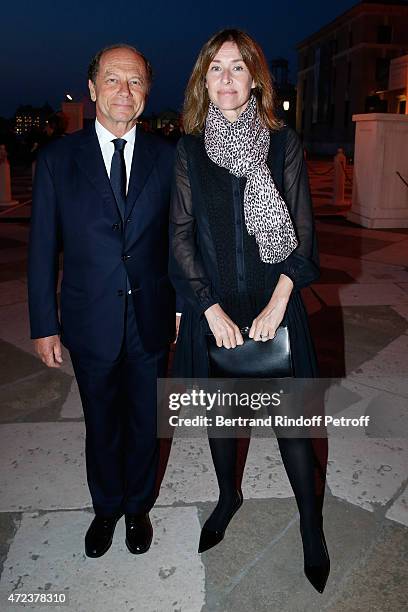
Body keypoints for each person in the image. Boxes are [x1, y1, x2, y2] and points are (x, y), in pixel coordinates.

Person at [169, 29, 329, 593]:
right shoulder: (188, 151)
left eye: (238, 67)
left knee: (291, 427)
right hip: (215, 307)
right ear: (203, 82)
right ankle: (228, 495)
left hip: (274, 303)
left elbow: (303, 238)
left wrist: (279, 304)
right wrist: (206, 307)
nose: (228, 78)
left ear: (254, 79)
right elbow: (181, 236)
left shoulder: (282, 143)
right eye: (217, 68)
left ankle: (311, 523)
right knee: (221, 420)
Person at [28, 44, 176, 558]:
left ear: (147, 93)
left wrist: (179, 306)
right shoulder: (56, 159)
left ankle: (138, 508)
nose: (124, 91)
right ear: (92, 90)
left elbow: (180, 241)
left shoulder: (168, 157)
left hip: (151, 319)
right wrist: (44, 323)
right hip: (90, 318)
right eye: (113, 80)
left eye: (135, 82)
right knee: (101, 423)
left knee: (144, 422)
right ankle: (106, 508)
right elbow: (43, 248)